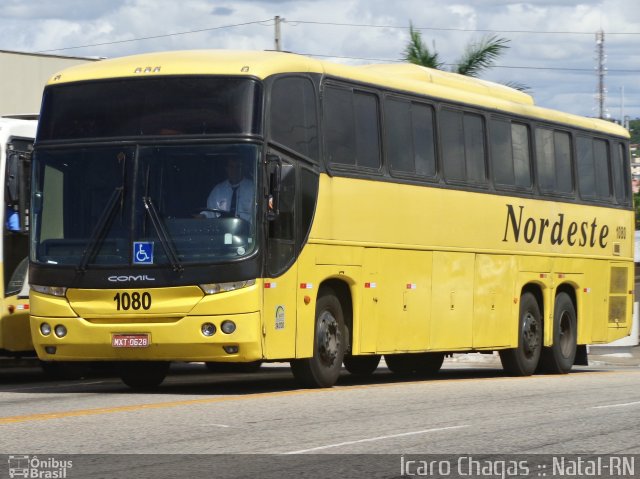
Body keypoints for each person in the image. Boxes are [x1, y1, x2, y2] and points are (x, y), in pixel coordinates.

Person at [202, 157, 253, 223]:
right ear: (227, 169)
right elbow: (210, 213)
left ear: (243, 169)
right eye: (231, 167)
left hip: (247, 231)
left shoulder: (253, 189)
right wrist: (203, 216)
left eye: (238, 167)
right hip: (222, 230)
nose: (234, 170)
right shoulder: (218, 190)